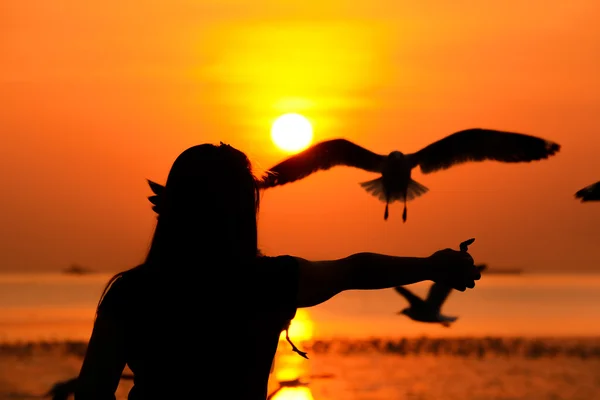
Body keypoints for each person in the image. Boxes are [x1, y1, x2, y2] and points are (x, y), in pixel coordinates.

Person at [74, 142, 481, 400]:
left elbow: (91, 393)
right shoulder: (268, 282)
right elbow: (356, 270)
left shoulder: (132, 292)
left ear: (171, 211)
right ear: (241, 212)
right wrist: (431, 266)